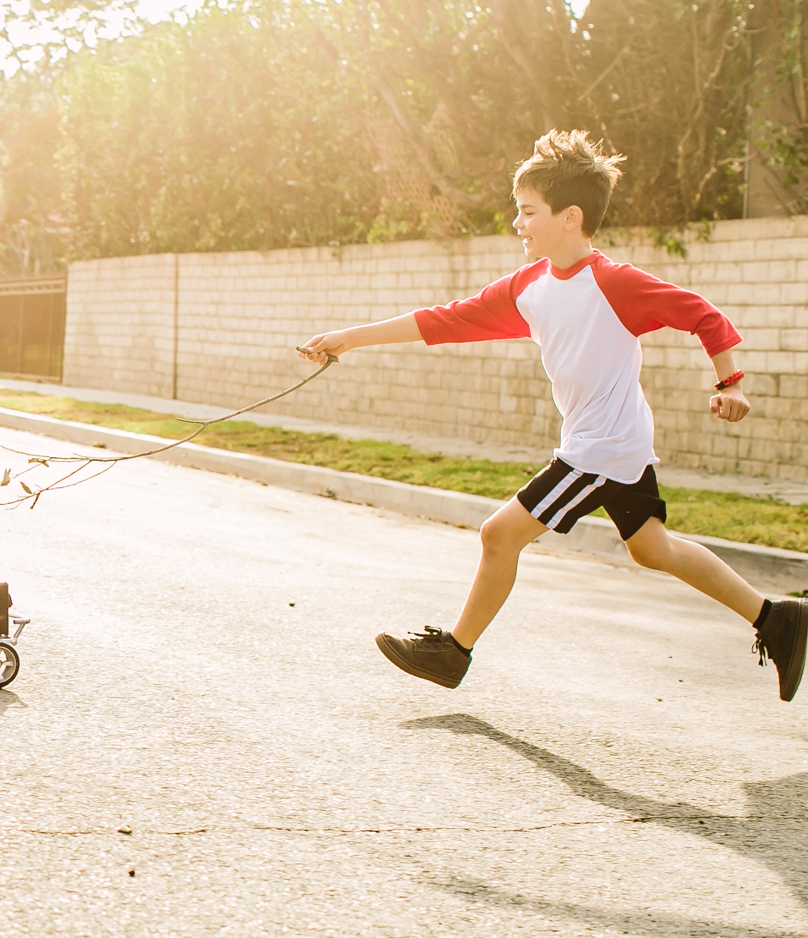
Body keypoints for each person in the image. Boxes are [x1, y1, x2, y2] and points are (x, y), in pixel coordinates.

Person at [299, 129, 807, 702]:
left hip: (601, 448)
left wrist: (730, 382)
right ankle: (777, 618)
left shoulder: (614, 283)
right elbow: (442, 319)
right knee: (652, 548)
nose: (518, 222)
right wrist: (349, 338)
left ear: (571, 217)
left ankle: (452, 652)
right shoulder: (529, 288)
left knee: (499, 534)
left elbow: (701, 314)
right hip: (617, 440)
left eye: (527, 211)